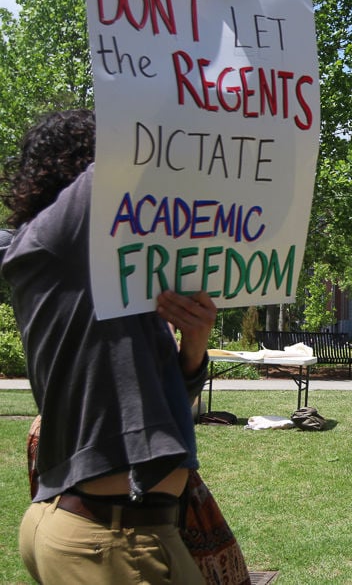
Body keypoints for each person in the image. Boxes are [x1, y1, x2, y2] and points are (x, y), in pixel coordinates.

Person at [2, 109, 221, 582]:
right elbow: (145, 134)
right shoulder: (56, 239)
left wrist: (193, 346)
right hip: (112, 536)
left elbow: (156, 407)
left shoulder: (108, 277)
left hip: (121, 529)